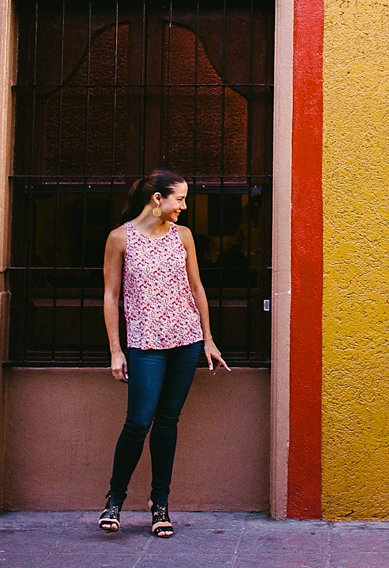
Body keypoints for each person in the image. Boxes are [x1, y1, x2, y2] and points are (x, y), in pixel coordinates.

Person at [98, 169, 229, 536]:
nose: (184, 207)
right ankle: (115, 499)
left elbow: (197, 288)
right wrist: (115, 350)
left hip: (185, 341)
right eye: (180, 199)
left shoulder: (183, 237)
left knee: (168, 420)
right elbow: (110, 296)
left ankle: (160, 505)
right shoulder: (119, 239)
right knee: (139, 421)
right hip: (144, 344)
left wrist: (208, 338)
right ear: (157, 200)